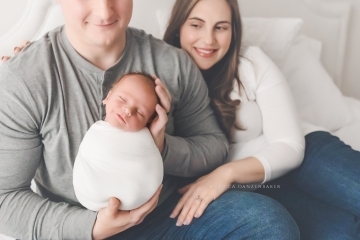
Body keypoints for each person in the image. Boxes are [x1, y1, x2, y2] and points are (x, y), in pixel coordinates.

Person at [0, 0, 299, 239]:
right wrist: (90, 228)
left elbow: (214, 146)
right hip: (77, 226)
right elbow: (4, 198)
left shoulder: (173, 62)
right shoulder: (25, 79)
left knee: (269, 223)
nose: (104, 10)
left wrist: (161, 146)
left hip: (168, 217)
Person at [163, 0, 360, 239]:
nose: (208, 39)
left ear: (233, 31)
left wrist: (225, 174)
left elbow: (290, 145)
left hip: (307, 155)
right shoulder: (162, 76)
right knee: (345, 231)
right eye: (196, 25)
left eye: (221, 27)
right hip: (260, 189)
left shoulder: (251, 61)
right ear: (178, 27)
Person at [73, 72, 164, 212]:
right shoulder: (97, 132)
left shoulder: (144, 138)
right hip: (90, 200)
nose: (128, 110)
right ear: (107, 97)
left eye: (140, 113)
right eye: (122, 99)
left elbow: (146, 165)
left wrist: (158, 136)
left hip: (139, 198)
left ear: (148, 122)